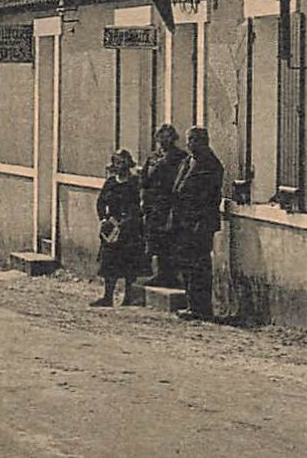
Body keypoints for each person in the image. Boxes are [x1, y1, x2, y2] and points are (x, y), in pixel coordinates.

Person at [170, 125, 224, 321]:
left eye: (193, 140)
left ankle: (201, 308)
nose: (189, 143)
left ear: (203, 142)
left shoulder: (210, 165)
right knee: (187, 264)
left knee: (199, 265)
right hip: (184, 221)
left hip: (199, 223)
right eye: (188, 139)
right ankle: (192, 304)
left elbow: (209, 198)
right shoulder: (188, 161)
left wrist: (200, 221)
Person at [91, 149, 145, 307]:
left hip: (130, 227)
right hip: (112, 227)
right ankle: (108, 296)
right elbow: (101, 202)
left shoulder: (135, 182)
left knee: (129, 263)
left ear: (128, 163)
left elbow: (140, 204)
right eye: (116, 162)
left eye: (122, 162)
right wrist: (104, 219)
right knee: (109, 262)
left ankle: (128, 297)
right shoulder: (111, 183)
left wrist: (129, 220)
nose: (119, 166)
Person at [138, 124, 187, 288]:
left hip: (170, 205)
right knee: (155, 240)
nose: (163, 141)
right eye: (160, 137)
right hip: (154, 205)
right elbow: (144, 180)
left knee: (171, 239)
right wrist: (144, 201)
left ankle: (172, 276)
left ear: (174, 138)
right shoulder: (153, 157)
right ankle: (160, 273)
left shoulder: (181, 157)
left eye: (167, 137)